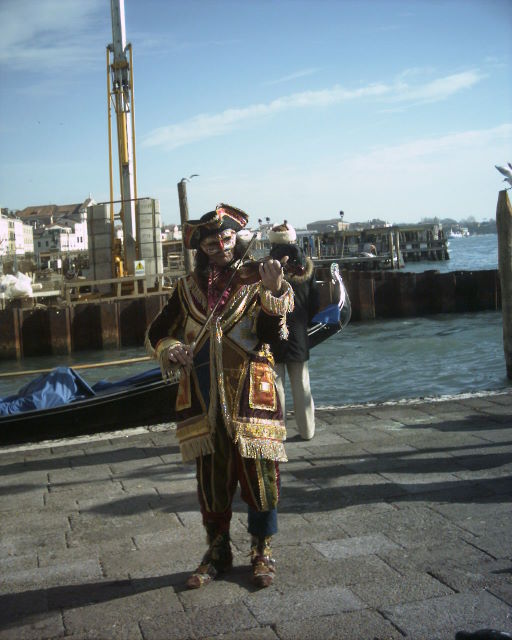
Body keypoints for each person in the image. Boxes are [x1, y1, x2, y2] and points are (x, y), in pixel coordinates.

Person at [145, 203, 294, 589]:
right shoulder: (186, 289)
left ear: (236, 238)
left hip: (251, 394)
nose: (220, 249)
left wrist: (275, 290)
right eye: (211, 245)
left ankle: (262, 550)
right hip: (204, 396)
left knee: (261, 478)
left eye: (226, 240)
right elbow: (158, 331)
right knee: (211, 480)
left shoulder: (256, 278)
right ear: (202, 249)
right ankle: (217, 551)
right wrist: (171, 348)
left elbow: (272, 336)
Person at [268, 222, 320, 441]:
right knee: (302, 384)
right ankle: (307, 430)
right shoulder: (306, 266)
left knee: (276, 384)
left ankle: (279, 432)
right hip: (298, 331)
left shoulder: (268, 267)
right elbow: (314, 302)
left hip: (273, 331)